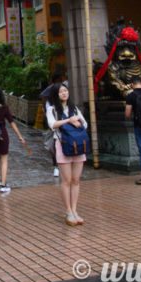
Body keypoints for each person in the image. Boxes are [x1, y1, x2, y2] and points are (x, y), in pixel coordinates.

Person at [47, 82, 87, 226]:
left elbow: (85, 124)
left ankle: (75, 210)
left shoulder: (74, 108)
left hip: (78, 146)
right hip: (63, 145)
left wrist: (78, 120)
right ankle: (68, 211)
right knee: (67, 180)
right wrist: (69, 120)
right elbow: (52, 124)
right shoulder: (52, 109)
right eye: (61, 92)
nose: (64, 93)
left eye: (66, 91)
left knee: (76, 180)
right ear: (56, 95)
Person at [0, 88, 27, 193]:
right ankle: (3, 185)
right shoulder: (4, 108)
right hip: (3, 134)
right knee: (4, 159)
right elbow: (11, 122)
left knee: (0, 157)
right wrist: (20, 136)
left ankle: (1, 180)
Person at [41, 72, 65, 178]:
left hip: (65, 128)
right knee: (54, 145)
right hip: (55, 128)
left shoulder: (67, 102)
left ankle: (61, 165)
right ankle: (56, 166)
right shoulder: (50, 104)